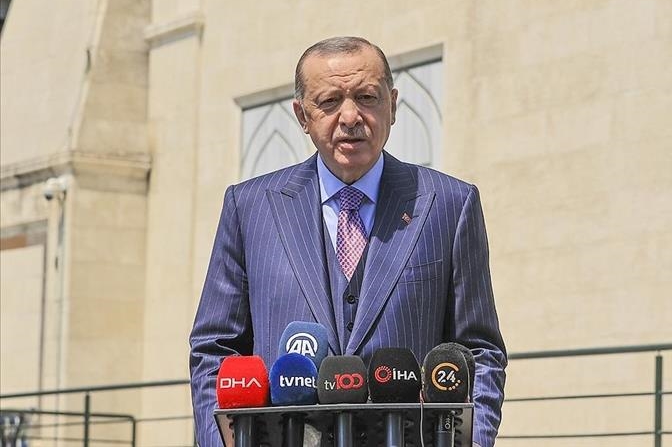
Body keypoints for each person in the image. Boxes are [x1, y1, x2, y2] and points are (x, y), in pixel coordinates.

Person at [189, 36, 507, 447]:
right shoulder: (249, 208)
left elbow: (480, 351)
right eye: (329, 101)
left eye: (367, 97)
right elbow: (214, 349)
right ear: (302, 116)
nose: (351, 116)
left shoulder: (450, 204)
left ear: (393, 106)